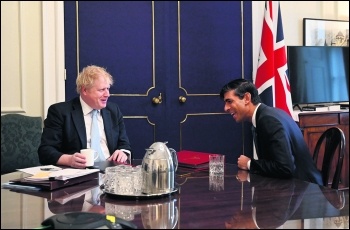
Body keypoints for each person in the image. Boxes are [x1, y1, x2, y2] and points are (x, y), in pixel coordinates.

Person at [219, 79, 323, 185]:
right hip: (297, 188)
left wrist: (249, 163)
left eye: (229, 101)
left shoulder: (268, 120)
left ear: (246, 98)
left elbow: (285, 168)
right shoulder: (267, 115)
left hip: (305, 190)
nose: (226, 108)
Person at [38, 65, 132, 168]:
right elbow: (45, 151)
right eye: (101, 90)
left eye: (108, 89)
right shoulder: (60, 112)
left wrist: (123, 152)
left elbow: (124, 144)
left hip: (111, 171)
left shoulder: (113, 110)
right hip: (78, 173)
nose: (107, 94)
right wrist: (68, 160)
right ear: (85, 90)